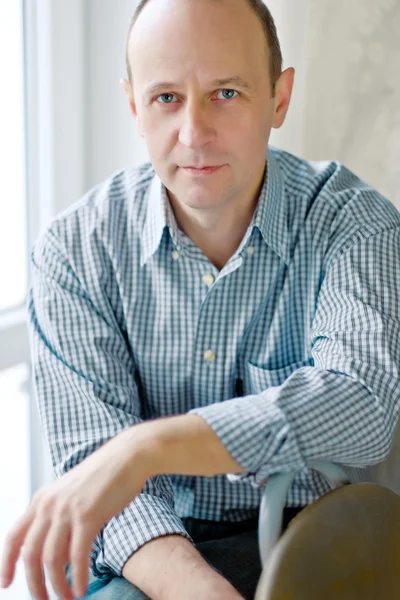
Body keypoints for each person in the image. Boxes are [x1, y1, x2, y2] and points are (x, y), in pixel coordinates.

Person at [1, 0, 400, 598]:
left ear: (279, 98)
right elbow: (100, 477)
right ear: (134, 104)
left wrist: (147, 446)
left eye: (227, 93)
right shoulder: (71, 253)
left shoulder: (355, 224)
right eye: (166, 98)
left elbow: (363, 405)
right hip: (143, 550)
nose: (194, 133)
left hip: (315, 540)